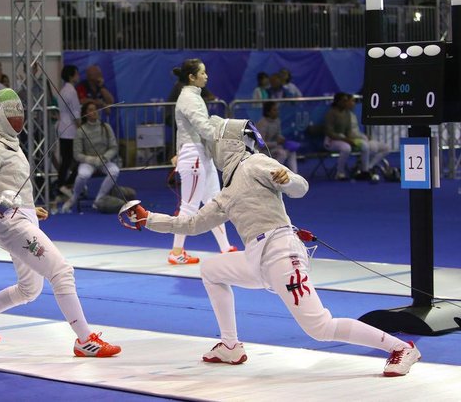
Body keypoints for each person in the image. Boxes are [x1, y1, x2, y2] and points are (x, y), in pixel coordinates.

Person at [125, 117, 420, 376]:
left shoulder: (255, 163)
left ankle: (401, 348)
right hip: (256, 258)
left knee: (320, 328)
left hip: (282, 253)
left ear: (229, 144)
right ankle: (230, 346)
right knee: (212, 270)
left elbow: (301, 187)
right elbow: (192, 224)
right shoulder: (227, 192)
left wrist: (287, 179)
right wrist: (148, 219)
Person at [0, 88, 121, 358]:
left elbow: (9, 184)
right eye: (10, 112)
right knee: (62, 271)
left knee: (28, 290)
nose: (16, 116)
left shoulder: (9, 142)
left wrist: (28, 207)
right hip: (11, 224)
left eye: (17, 111)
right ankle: (85, 340)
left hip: (22, 218)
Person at [168, 58, 236, 266]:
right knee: (189, 205)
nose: (206, 76)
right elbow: (202, 127)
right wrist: (226, 135)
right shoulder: (189, 98)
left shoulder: (194, 96)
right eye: (202, 73)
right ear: (192, 77)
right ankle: (176, 252)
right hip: (193, 155)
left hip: (201, 154)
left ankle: (226, 247)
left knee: (215, 202)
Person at [61, 101, 120, 213]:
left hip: (104, 160)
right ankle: (74, 197)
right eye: (90, 110)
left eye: (95, 109)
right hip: (87, 162)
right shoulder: (80, 131)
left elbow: (113, 147)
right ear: (85, 113)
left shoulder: (106, 127)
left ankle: (98, 200)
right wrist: (92, 159)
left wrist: (104, 158)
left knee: (114, 171)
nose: (94, 112)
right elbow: (77, 154)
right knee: (83, 175)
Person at [324, 92, 388, 181]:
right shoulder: (331, 114)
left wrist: (352, 139)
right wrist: (346, 139)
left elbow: (348, 131)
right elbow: (329, 132)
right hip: (331, 141)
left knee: (364, 146)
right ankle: (340, 173)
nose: (346, 103)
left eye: (347, 101)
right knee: (346, 148)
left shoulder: (347, 114)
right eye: (344, 101)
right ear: (338, 102)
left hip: (346, 139)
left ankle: (364, 171)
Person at [56, 65, 81, 198]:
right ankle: (64, 184)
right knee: (72, 159)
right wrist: (81, 128)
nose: (78, 76)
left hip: (64, 127)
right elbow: (75, 112)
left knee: (66, 160)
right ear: (71, 76)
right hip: (70, 129)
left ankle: (63, 184)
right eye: (77, 74)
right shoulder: (71, 91)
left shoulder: (64, 90)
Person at [256, 102, 298, 173]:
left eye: (277, 109)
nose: (277, 112)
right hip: (263, 151)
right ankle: (274, 174)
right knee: (282, 153)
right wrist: (276, 143)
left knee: (292, 152)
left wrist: (281, 138)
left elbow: (278, 134)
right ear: (268, 112)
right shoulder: (262, 124)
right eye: (274, 110)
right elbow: (261, 144)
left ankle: (295, 175)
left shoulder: (277, 121)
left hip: (274, 148)